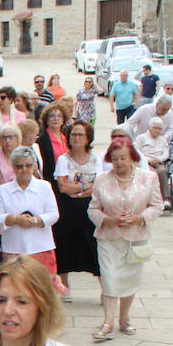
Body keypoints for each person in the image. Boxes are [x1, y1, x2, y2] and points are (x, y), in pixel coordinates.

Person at [89, 140, 162, 341]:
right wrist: (109, 221)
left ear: (132, 158)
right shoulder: (102, 179)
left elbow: (157, 205)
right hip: (108, 237)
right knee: (110, 277)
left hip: (135, 237)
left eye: (123, 158)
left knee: (130, 279)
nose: (119, 163)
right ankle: (108, 323)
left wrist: (140, 218)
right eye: (114, 159)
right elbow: (93, 208)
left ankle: (124, 318)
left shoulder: (149, 178)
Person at [0, 148, 63, 293]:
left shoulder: (44, 187)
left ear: (35, 165)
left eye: (28, 165)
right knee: (17, 291)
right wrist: (15, 219)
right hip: (13, 248)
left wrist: (36, 221)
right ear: (13, 167)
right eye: (19, 166)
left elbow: (54, 214)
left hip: (41, 247)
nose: (24, 169)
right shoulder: (4, 190)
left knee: (44, 291)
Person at [52, 121, 103, 292]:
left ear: (88, 137)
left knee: (94, 246)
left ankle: (105, 288)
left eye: (80, 134)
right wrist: (84, 187)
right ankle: (64, 285)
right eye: (73, 134)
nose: (76, 137)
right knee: (65, 244)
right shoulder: (63, 159)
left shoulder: (95, 159)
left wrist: (80, 189)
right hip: (67, 208)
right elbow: (63, 187)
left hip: (89, 207)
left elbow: (98, 185)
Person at [136, 118, 173, 205]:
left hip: (158, 161)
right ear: (149, 128)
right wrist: (149, 160)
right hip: (145, 162)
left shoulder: (162, 139)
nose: (157, 130)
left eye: (160, 129)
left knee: (162, 171)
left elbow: (166, 153)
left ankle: (166, 199)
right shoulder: (141, 138)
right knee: (151, 173)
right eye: (155, 128)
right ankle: (148, 199)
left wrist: (159, 160)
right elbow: (137, 152)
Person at [36, 105, 69, 187]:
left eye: (59, 116)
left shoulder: (67, 137)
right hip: (51, 181)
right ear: (46, 120)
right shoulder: (42, 140)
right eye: (52, 116)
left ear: (63, 120)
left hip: (68, 179)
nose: (55, 118)